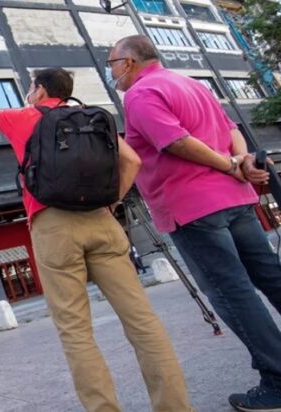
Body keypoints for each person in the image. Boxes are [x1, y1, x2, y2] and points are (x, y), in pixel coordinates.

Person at [0, 68, 193, 412]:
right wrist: (112, 202)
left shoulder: (23, 117)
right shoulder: (92, 118)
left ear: (41, 91)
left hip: (52, 225)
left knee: (76, 330)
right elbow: (132, 159)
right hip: (101, 221)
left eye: (31, 88)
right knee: (142, 321)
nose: (29, 93)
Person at [109, 34, 281, 411]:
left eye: (112, 64)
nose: (112, 72)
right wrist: (241, 162)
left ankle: (277, 379)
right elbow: (232, 129)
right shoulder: (190, 83)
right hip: (235, 199)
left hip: (192, 205)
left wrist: (230, 166)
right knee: (270, 275)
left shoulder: (140, 94)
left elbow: (175, 141)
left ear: (129, 62)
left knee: (231, 292)